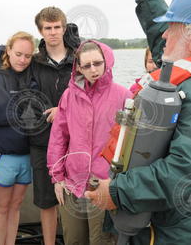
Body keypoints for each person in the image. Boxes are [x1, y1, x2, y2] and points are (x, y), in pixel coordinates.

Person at [85, 0, 191, 244]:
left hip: (171, 233)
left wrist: (117, 192)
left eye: (171, 27)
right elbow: (163, 37)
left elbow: (188, 173)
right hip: (169, 224)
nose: (163, 35)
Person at [47, 40, 131, 245]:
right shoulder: (68, 96)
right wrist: (57, 177)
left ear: (106, 62)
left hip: (103, 184)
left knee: (101, 240)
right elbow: (59, 137)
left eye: (97, 63)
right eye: (87, 65)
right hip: (71, 183)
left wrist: (117, 182)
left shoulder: (124, 96)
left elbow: (130, 145)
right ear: (79, 68)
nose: (93, 70)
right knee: (73, 240)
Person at [0, 31, 35, 245]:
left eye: (28, 56)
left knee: (16, 205)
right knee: (1, 206)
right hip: (0, 153)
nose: (22, 60)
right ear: (8, 50)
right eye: (18, 54)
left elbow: (38, 110)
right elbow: (0, 114)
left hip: (24, 152)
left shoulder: (29, 76)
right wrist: (26, 108)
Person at [30, 6, 76, 245]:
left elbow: (92, 94)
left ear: (64, 28)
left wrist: (64, 109)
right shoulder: (34, 62)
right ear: (40, 31)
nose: (53, 32)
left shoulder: (78, 59)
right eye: (48, 28)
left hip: (74, 141)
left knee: (72, 196)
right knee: (46, 200)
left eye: (57, 27)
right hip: (41, 140)